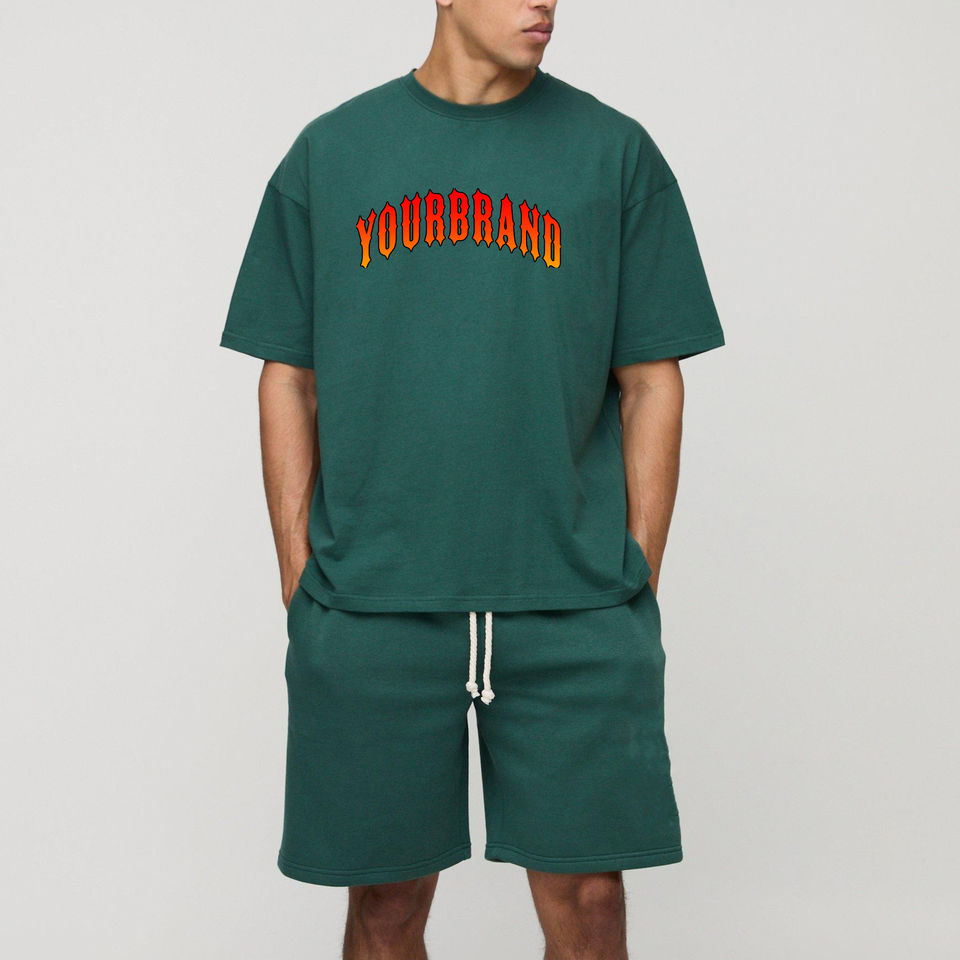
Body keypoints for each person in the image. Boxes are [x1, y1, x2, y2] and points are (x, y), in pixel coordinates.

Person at [220, 2, 724, 957]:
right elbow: (288, 373)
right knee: (387, 902)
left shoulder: (614, 153)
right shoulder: (333, 154)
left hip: (572, 604)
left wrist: (635, 573)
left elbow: (653, 377)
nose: (546, 2)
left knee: (590, 900)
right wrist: (298, 575)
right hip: (374, 604)